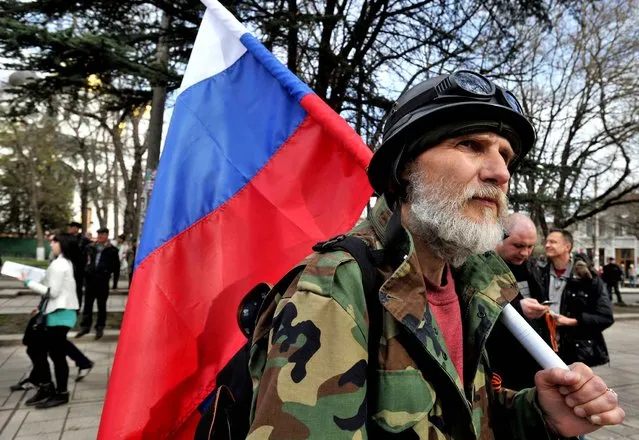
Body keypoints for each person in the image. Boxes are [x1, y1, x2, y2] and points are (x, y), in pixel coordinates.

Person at [247, 71, 623, 438]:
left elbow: (464, 414)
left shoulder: (474, 282)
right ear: (405, 167)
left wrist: (541, 416)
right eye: (470, 145)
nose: (500, 172)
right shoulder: (336, 285)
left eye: (505, 155)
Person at [487, 213, 552, 390]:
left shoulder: (530, 266)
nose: (525, 253)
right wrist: (518, 308)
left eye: (530, 247)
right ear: (499, 237)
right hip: (501, 365)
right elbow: (477, 313)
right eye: (518, 246)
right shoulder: (483, 268)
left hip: (533, 360)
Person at [20, 233, 82, 408]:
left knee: (52, 354)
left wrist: (27, 281)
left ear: (61, 244)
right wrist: (41, 307)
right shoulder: (65, 262)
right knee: (39, 350)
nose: (51, 244)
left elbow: (52, 292)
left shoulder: (59, 264)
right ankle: (47, 387)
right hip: (58, 313)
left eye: (54, 241)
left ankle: (59, 392)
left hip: (59, 314)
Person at [541, 230, 613, 367]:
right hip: (545, 349)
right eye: (547, 242)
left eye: (553, 242)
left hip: (576, 352)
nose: (547, 245)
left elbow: (606, 317)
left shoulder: (588, 279)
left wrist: (572, 321)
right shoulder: (539, 274)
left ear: (567, 247)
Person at [76, 227, 120, 340]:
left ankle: (100, 327)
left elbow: (116, 268)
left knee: (101, 306)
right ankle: (85, 326)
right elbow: (83, 261)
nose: (100, 236)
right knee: (87, 305)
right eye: (99, 234)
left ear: (107, 235)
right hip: (90, 281)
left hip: (102, 281)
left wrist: (115, 284)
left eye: (103, 234)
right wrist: (84, 274)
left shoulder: (112, 250)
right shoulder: (90, 247)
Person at [66, 221, 92, 307]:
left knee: (78, 287)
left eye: (72, 227)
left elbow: (89, 251)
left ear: (77, 228)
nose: (70, 229)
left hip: (79, 268)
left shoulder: (84, 240)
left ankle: (78, 305)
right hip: (68, 266)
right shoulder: (67, 238)